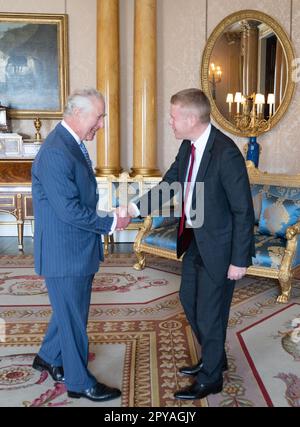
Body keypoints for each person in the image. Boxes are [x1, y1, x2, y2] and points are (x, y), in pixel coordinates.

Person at [128, 88, 255, 400]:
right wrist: (132, 209)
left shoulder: (226, 154)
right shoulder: (189, 147)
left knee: (211, 312)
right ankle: (215, 357)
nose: (170, 123)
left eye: (173, 117)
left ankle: (212, 377)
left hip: (222, 248)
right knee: (189, 299)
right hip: (196, 238)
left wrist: (239, 260)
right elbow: (169, 184)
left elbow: (243, 211)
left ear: (190, 118)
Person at [31, 88, 130, 402]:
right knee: (74, 319)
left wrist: (106, 215)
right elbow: (69, 210)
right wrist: (111, 222)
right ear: (78, 114)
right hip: (64, 253)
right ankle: (78, 382)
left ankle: (47, 356)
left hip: (75, 247)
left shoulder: (69, 144)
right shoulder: (57, 151)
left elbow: (77, 202)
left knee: (67, 311)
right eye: (98, 116)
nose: (100, 124)